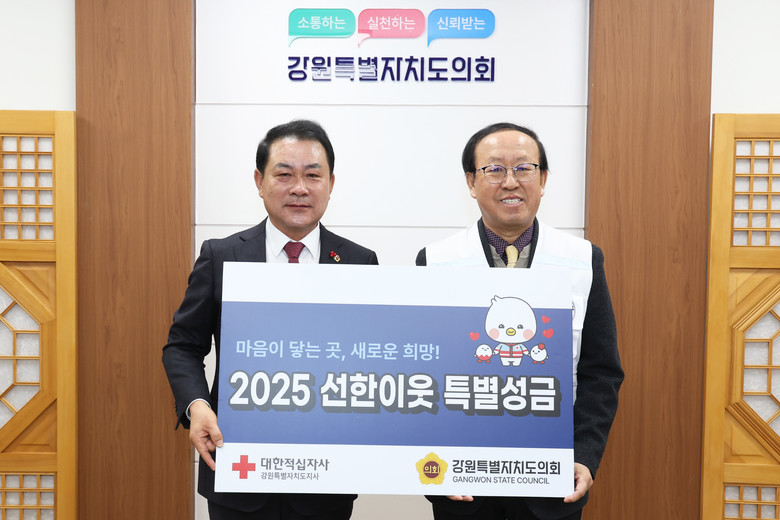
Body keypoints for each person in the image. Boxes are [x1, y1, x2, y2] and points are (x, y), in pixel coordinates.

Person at [162, 119, 378, 520]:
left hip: (325, 475)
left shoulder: (358, 261)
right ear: (259, 181)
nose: (299, 188)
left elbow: (372, 358)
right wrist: (197, 406)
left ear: (331, 183)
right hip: (237, 466)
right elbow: (183, 346)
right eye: (284, 174)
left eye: (313, 175)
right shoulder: (221, 255)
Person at [416, 123, 623, 520]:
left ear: (543, 180)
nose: (510, 181)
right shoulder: (437, 261)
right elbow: (420, 373)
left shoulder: (581, 260)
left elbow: (601, 371)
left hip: (553, 481)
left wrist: (585, 455)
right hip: (463, 484)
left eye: (524, 168)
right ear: (471, 182)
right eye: (494, 169)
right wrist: (434, 462)